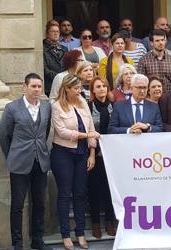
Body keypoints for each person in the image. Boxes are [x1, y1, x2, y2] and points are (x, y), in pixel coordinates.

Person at [0, 73, 54, 250]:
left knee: (39, 202)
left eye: (39, 86)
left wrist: (39, 150)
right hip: (19, 162)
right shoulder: (12, 108)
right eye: (33, 86)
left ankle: (37, 239)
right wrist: (13, 156)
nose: (37, 89)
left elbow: (44, 132)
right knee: (17, 204)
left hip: (40, 161)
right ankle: (17, 243)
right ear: (25, 87)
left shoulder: (46, 107)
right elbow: (4, 136)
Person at [50, 75, 100, 250]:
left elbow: (92, 128)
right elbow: (62, 132)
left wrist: (92, 153)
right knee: (64, 194)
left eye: (80, 88)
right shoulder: (56, 106)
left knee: (79, 193)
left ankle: (80, 232)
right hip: (63, 153)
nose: (79, 91)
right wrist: (86, 136)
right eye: (76, 88)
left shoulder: (83, 102)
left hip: (82, 153)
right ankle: (65, 234)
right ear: (67, 89)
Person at [86, 77, 116, 238]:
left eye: (104, 86)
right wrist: (92, 152)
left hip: (112, 156)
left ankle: (110, 221)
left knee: (110, 190)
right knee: (95, 190)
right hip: (94, 155)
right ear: (93, 90)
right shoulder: (89, 106)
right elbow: (89, 131)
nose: (102, 89)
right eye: (98, 86)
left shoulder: (114, 106)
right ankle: (96, 223)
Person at [43, 21, 68, 96]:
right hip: (50, 87)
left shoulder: (64, 49)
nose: (56, 33)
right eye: (53, 31)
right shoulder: (42, 49)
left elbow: (69, 67)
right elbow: (44, 69)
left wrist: (65, 78)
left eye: (57, 31)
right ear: (47, 33)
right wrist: (59, 78)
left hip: (64, 86)